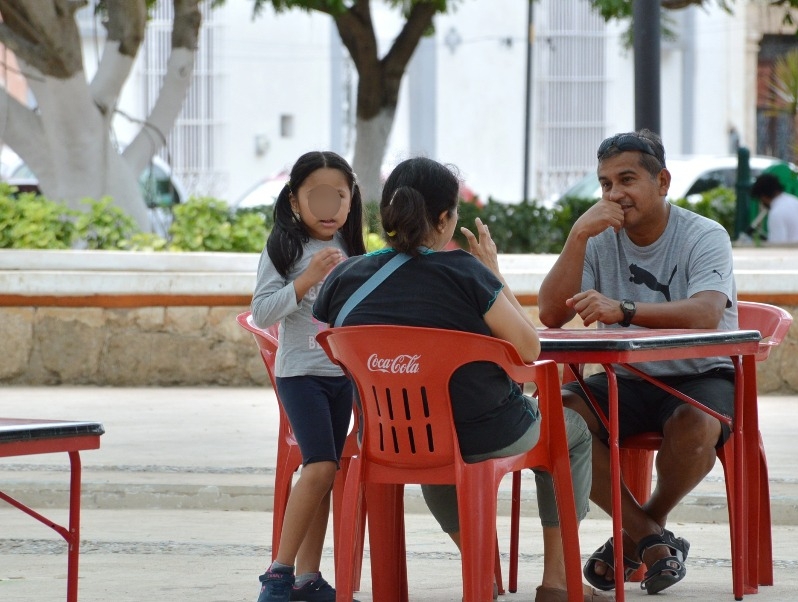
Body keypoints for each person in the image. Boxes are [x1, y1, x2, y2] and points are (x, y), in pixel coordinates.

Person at [313, 157, 604, 602]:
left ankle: (480, 571)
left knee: (435, 449)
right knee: (575, 432)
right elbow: (530, 349)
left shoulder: (346, 278)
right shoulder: (466, 273)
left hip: (392, 435)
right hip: (489, 430)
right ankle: (557, 581)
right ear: (446, 218)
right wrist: (492, 272)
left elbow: (336, 346)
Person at [538, 129, 739, 595]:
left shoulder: (704, 235)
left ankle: (641, 530)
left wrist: (624, 311)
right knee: (553, 417)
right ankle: (651, 537)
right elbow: (550, 313)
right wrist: (578, 234)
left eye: (627, 179)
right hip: (623, 378)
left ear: (662, 181)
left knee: (697, 425)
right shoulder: (599, 239)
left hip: (699, 374)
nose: (614, 194)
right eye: (605, 184)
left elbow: (707, 313)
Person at [250, 150, 366, 602]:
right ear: (295, 202)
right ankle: (277, 576)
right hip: (301, 374)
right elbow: (261, 311)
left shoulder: (356, 252)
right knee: (318, 467)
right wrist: (304, 281)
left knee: (327, 472)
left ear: (351, 200)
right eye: (316, 196)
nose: (329, 206)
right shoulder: (285, 248)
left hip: (342, 377)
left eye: (338, 195)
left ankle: (307, 578)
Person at [749, 172, 798, 243]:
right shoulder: (796, 201)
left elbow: (777, 245)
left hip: (787, 253)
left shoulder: (776, 213)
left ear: (763, 197)